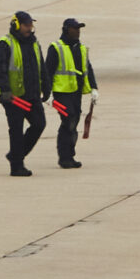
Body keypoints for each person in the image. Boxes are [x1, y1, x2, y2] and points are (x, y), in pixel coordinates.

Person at [0, 10, 48, 177]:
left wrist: (46, 87)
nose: (30, 28)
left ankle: (15, 155)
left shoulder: (34, 43)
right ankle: (17, 166)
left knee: (39, 124)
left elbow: (41, 67)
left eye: (31, 25)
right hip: (13, 97)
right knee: (16, 129)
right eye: (26, 25)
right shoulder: (5, 44)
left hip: (31, 94)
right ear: (16, 25)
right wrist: (5, 90)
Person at [45, 18, 97, 168]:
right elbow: (48, 71)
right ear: (67, 30)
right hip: (61, 92)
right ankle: (64, 157)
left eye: (79, 29)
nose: (78, 31)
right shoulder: (56, 47)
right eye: (75, 29)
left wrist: (94, 87)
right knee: (68, 121)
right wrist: (48, 93)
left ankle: (69, 155)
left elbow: (88, 68)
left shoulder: (80, 48)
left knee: (74, 122)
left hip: (76, 92)